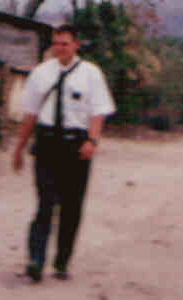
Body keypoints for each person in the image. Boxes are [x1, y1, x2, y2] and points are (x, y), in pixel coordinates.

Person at [11, 25, 115, 282]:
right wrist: (19, 147)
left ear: (76, 45)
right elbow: (30, 113)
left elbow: (98, 111)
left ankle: (62, 261)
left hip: (76, 146)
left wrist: (92, 140)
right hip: (47, 144)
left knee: (71, 206)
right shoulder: (41, 73)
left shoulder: (91, 74)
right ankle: (36, 260)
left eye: (65, 43)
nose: (60, 48)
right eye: (56, 43)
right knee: (45, 203)